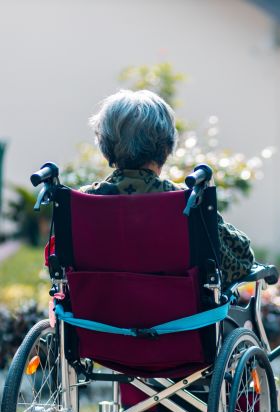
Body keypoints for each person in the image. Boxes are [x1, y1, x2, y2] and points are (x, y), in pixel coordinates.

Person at [79, 89, 255, 285]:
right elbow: (241, 261)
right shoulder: (187, 201)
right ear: (166, 146)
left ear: (105, 147)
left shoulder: (82, 203)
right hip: (178, 313)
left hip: (99, 312)